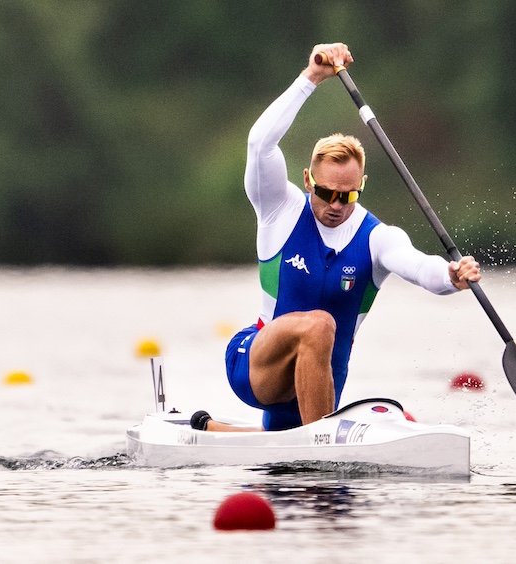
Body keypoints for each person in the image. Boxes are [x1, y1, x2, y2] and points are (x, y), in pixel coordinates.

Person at [193, 43, 481, 433]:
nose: (335, 205)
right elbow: (260, 145)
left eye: (347, 195)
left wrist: (452, 274)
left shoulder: (377, 238)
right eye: (325, 192)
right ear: (309, 180)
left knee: (286, 446)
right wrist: (311, 77)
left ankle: (212, 430)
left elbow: (417, 266)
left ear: (361, 186)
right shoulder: (280, 208)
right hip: (257, 364)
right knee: (320, 325)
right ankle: (321, 443)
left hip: (322, 381)